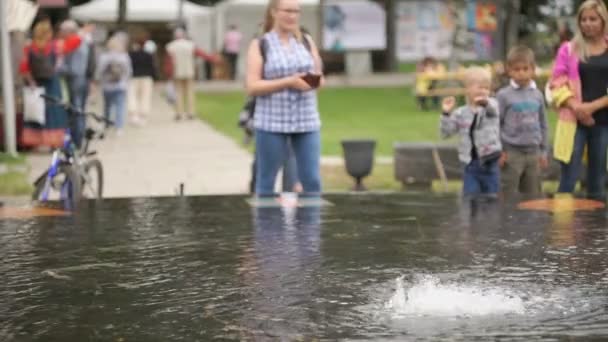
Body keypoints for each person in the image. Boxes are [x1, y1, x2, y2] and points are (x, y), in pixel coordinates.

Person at [245, 0, 324, 197]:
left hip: (306, 122)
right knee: (266, 181)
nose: (292, 16)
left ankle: (309, 227)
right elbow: (252, 86)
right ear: (274, 12)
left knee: (312, 180)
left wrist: (310, 83)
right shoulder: (261, 44)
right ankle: (266, 227)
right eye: (287, 11)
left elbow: (319, 79)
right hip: (272, 123)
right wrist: (288, 82)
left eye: (296, 11)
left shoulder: (306, 41)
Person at [549, 0, 608, 199]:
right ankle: (562, 227)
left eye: (593, 19)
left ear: (603, 20)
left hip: (603, 123)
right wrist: (578, 108)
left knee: (598, 180)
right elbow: (557, 81)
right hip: (573, 121)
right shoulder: (568, 49)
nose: (588, 23)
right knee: (568, 177)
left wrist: (591, 107)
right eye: (583, 19)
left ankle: (597, 228)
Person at [19, 20, 84, 149]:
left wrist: (31, 82)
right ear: (48, 33)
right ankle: (54, 143)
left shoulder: (29, 47)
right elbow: (75, 42)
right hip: (52, 83)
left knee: (36, 112)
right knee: (55, 113)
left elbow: (23, 68)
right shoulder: (55, 46)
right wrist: (82, 32)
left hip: (36, 84)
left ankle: (35, 142)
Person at [440, 67, 502, 196]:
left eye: (487, 88)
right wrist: (446, 113)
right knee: (470, 196)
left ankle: (490, 216)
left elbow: (492, 110)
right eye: (480, 87)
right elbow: (446, 133)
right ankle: (471, 216)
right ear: (467, 89)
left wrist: (484, 103)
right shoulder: (460, 113)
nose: (484, 91)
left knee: (491, 196)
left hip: (489, 160)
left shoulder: (492, 106)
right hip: (470, 164)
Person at [496, 45, 548, 196]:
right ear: (509, 70)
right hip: (511, 154)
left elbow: (543, 124)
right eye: (516, 69)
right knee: (507, 192)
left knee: (532, 195)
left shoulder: (537, 95)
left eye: (525, 69)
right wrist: (500, 150)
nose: (521, 73)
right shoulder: (503, 95)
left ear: (533, 69)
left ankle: (530, 220)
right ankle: (505, 219)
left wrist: (543, 152)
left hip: (533, 153)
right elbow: (496, 124)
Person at [57, 20, 96, 148]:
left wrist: (58, 69)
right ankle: (78, 139)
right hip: (80, 80)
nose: (60, 33)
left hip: (76, 81)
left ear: (69, 31)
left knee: (77, 111)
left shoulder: (76, 43)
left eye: (62, 31)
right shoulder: (81, 42)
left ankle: (77, 141)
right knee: (79, 110)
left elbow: (75, 69)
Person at [166, 28, 218, 120]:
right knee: (190, 92)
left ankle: (179, 113)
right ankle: (191, 113)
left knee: (179, 93)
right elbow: (202, 54)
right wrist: (213, 59)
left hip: (177, 72)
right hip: (189, 71)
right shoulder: (190, 45)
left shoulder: (171, 46)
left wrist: (169, 74)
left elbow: (169, 62)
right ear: (184, 35)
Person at [95, 35, 132, 135]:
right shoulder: (124, 56)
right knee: (120, 106)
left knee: (107, 106)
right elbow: (128, 71)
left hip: (107, 86)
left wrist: (100, 82)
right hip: (121, 86)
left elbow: (100, 71)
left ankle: (107, 124)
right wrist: (126, 82)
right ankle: (119, 127)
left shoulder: (104, 56)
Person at [128, 34, 157, 126]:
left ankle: (134, 115)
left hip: (134, 77)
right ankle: (142, 116)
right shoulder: (148, 55)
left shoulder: (131, 55)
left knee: (133, 96)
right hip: (146, 78)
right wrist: (155, 77)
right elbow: (152, 68)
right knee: (145, 96)